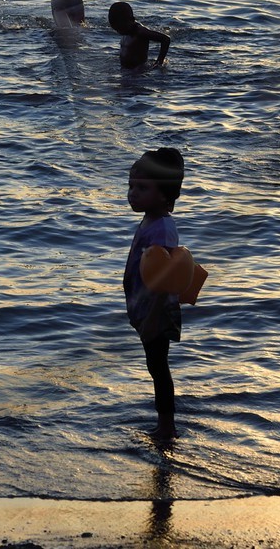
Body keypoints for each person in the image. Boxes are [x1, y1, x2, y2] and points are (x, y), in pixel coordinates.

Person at [122, 146, 188, 437]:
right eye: (131, 186)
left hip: (157, 309)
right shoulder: (151, 219)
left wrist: (151, 317)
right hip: (147, 307)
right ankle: (164, 424)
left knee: (158, 367)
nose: (132, 193)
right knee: (155, 365)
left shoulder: (161, 228)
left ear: (164, 194)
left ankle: (166, 427)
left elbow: (166, 276)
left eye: (142, 187)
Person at [108, 1, 171, 69]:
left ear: (132, 20)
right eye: (117, 29)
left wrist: (159, 62)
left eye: (122, 28)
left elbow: (165, 39)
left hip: (139, 72)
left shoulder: (140, 32)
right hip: (126, 70)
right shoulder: (127, 31)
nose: (120, 32)